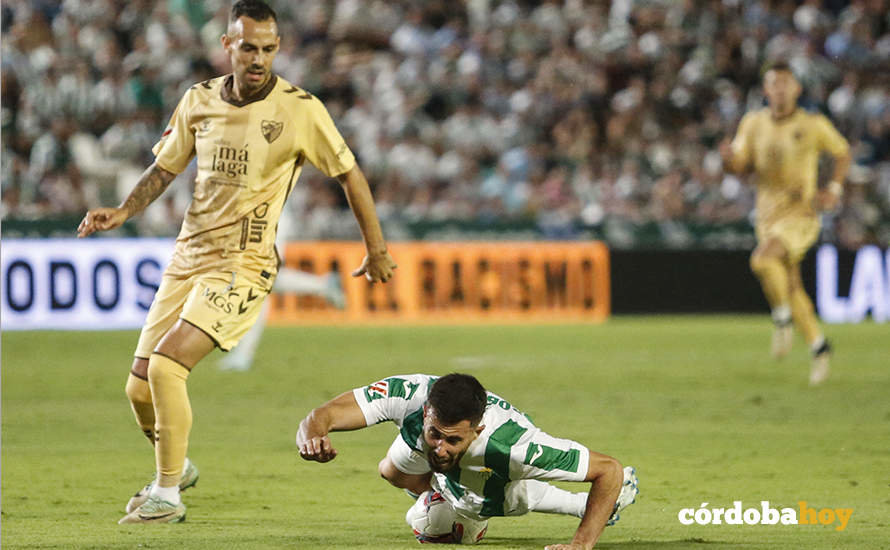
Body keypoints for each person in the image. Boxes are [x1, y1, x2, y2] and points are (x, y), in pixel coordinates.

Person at [76, 0, 396, 524]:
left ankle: (167, 494)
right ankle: (176, 465)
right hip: (188, 257)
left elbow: (349, 174)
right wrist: (123, 211)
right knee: (138, 387)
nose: (259, 59)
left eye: (269, 49)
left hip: (243, 263)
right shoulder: (198, 100)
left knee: (166, 365)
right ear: (227, 45)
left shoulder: (300, 109)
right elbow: (164, 169)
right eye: (249, 47)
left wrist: (376, 248)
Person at [297, 373, 639, 549]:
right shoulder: (410, 395)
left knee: (480, 502)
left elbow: (609, 469)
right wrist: (313, 437)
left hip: (495, 470)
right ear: (427, 411)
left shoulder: (514, 447)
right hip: (462, 463)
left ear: (477, 429)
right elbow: (323, 414)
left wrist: (581, 544)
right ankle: (449, 498)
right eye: (435, 434)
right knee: (390, 470)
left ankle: (584, 505)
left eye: (453, 439)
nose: (441, 448)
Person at [720, 61, 850, 386]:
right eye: (773, 83)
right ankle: (820, 347)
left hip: (801, 215)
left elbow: (843, 152)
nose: (779, 89)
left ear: (796, 89)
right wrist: (727, 161)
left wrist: (833, 188)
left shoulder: (813, 124)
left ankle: (781, 320)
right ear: (766, 90)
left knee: (762, 259)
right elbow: (739, 165)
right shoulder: (753, 123)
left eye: (785, 83)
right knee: (791, 287)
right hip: (767, 215)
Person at [218, 267, 345, 371]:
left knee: (258, 279)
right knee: (260, 278)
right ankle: (322, 284)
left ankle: (243, 354)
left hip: (266, 236)